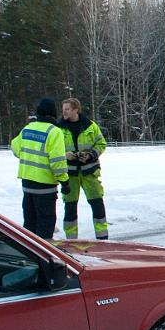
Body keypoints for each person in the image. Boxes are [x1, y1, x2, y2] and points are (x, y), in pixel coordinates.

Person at [10, 98, 70, 239]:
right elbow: (57, 161)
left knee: (29, 223)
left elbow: (15, 147)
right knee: (45, 223)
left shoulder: (28, 128)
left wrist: (28, 157)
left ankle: (29, 253)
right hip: (45, 187)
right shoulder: (54, 131)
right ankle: (44, 256)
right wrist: (64, 181)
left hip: (27, 184)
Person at [58, 98, 109, 240]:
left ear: (76, 110)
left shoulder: (91, 126)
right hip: (70, 174)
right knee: (70, 207)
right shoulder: (58, 128)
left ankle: (103, 238)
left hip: (89, 171)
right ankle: (71, 240)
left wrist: (91, 154)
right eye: (63, 109)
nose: (64, 112)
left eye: (67, 109)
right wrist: (64, 155)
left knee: (97, 203)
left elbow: (101, 144)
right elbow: (53, 150)